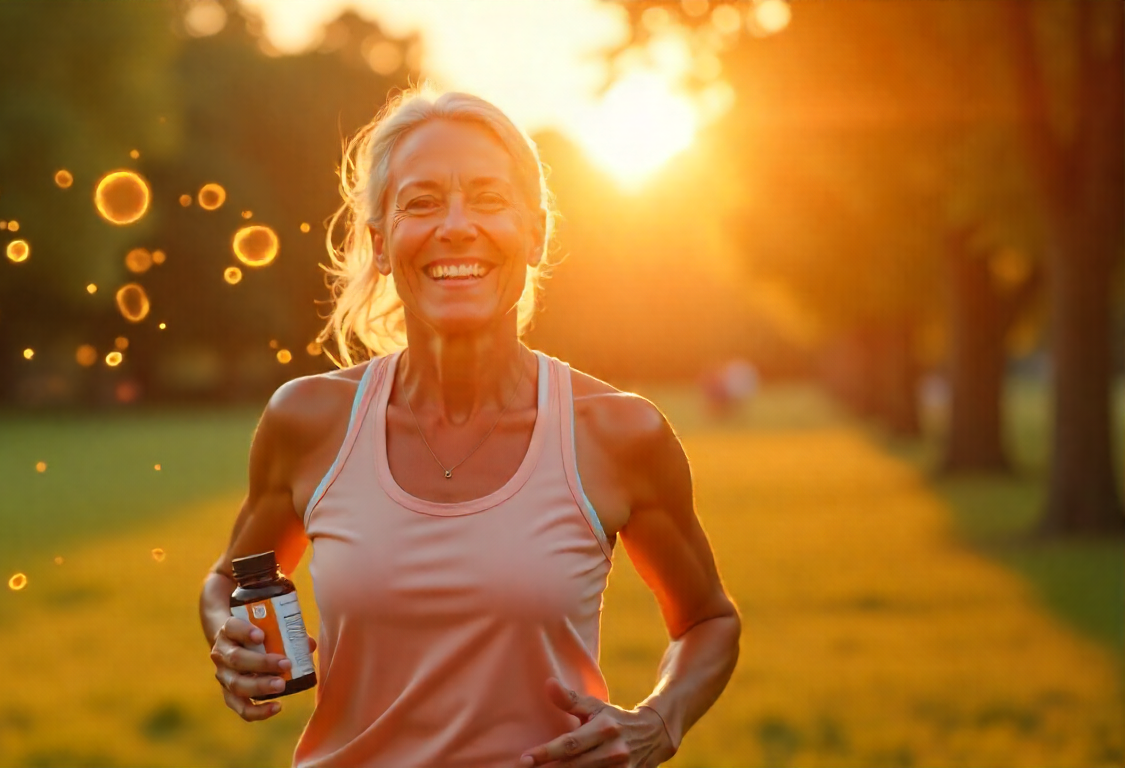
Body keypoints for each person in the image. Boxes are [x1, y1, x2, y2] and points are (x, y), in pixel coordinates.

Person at [200, 84, 741, 768]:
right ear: (382, 244)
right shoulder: (307, 421)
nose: (456, 226)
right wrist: (229, 637)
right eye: (422, 203)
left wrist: (659, 722)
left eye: (488, 199)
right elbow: (232, 580)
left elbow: (708, 621)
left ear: (536, 234)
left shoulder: (618, 433)